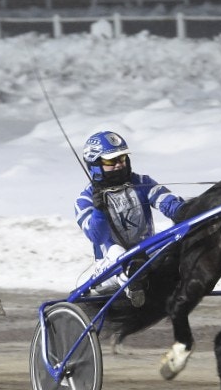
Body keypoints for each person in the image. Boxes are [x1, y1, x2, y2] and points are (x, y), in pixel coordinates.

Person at [74, 128, 185, 306]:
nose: (120, 164)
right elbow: (97, 237)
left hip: (146, 254)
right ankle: (132, 283)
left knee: (174, 237)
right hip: (108, 268)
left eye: (123, 158)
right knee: (117, 252)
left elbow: (167, 203)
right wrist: (99, 210)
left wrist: (184, 211)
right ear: (95, 165)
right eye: (112, 160)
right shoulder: (84, 200)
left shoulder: (142, 183)